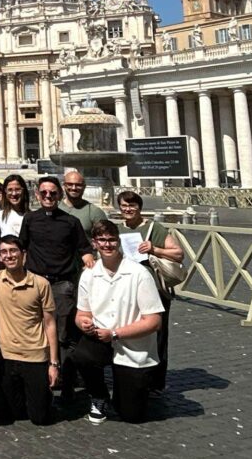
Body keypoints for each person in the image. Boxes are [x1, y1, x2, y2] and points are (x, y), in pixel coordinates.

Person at [74, 220, 164, 424]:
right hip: (100, 337)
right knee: (80, 356)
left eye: (111, 240)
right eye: (102, 240)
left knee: (132, 415)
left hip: (131, 343)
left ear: (119, 241)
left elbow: (154, 321)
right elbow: (81, 314)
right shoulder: (88, 274)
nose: (107, 245)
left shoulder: (139, 273)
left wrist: (115, 333)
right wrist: (84, 323)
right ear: (94, 243)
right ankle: (98, 395)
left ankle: (128, 390)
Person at [19, 176, 93, 400]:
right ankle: (40, 379)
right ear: (37, 195)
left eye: (52, 193)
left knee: (63, 336)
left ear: (59, 196)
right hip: (36, 284)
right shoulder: (30, 219)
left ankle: (66, 381)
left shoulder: (71, 222)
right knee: (35, 332)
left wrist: (94, 267)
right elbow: (21, 249)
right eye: (44, 193)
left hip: (62, 285)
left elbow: (84, 249)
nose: (48, 197)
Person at [0, 235, 59, 426]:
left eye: (13, 251)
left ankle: (42, 394)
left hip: (35, 354)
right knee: (16, 414)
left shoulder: (41, 284)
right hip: (7, 355)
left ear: (23, 254)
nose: (9, 255)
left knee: (40, 418)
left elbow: (50, 324)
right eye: (4, 252)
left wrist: (53, 364)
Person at [116, 191, 183, 394]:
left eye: (132, 206)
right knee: (131, 332)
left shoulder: (155, 227)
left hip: (154, 289)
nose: (128, 209)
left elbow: (178, 254)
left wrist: (154, 249)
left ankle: (156, 382)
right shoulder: (118, 229)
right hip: (127, 289)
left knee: (158, 335)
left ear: (140, 207)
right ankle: (133, 375)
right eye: (124, 206)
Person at [62, 171, 106, 235]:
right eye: (70, 184)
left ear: (84, 187)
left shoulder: (94, 212)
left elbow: (105, 237)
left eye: (78, 185)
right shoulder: (54, 208)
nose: (74, 188)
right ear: (64, 186)